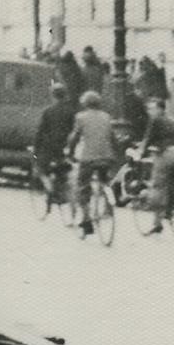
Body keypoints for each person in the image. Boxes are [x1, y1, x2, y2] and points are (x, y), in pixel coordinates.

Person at [67, 90, 119, 236]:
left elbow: (74, 138)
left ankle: (86, 220)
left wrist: (70, 152)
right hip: (106, 158)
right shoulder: (106, 117)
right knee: (104, 181)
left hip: (88, 158)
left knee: (82, 187)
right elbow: (113, 138)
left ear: (85, 103)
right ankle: (107, 203)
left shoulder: (81, 117)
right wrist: (113, 156)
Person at [139, 106, 174, 228]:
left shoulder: (155, 121)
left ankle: (157, 223)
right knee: (172, 178)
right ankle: (171, 207)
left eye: (152, 108)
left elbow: (148, 139)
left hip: (170, 154)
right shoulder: (172, 120)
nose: (150, 111)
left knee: (158, 184)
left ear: (159, 109)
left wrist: (140, 153)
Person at [32, 83, 76, 206]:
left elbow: (40, 131)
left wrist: (35, 149)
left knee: (41, 170)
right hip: (64, 146)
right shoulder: (71, 111)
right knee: (62, 171)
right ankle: (61, 191)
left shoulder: (48, 111)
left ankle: (50, 189)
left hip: (48, 147)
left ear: (53, 95)